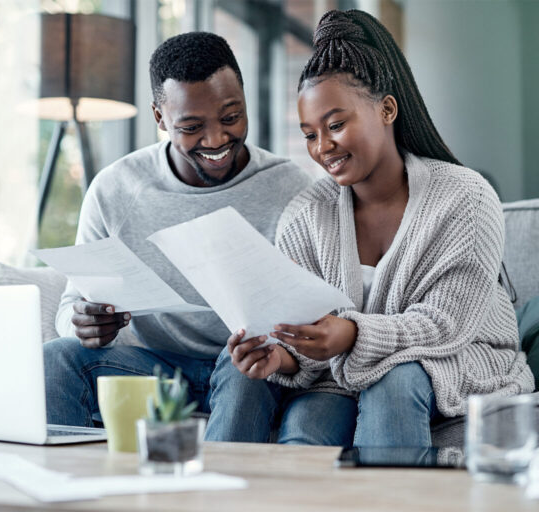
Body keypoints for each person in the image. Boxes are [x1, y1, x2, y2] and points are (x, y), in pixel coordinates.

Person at [227, 9, 534, 447]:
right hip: (342, 378)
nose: (322, 148)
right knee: (306, 422)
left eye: (335, 125)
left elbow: (446, 324)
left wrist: (351, 333)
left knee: (395, 381)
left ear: (387, 108)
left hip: (454, 359)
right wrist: (280, 357)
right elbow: (306, 344)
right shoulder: (303, 216)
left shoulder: (466, 197)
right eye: (310, 134)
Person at [43, 31, 313, 440]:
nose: (216, 140)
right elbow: (70, 306)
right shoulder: (116, 188)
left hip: (251, 367)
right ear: (159, 118)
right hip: (155, 366)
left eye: (231, 117)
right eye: (191, 126)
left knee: (245, 369)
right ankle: (78, 495)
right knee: (57, 358)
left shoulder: (290, 187)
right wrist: (80, 322)